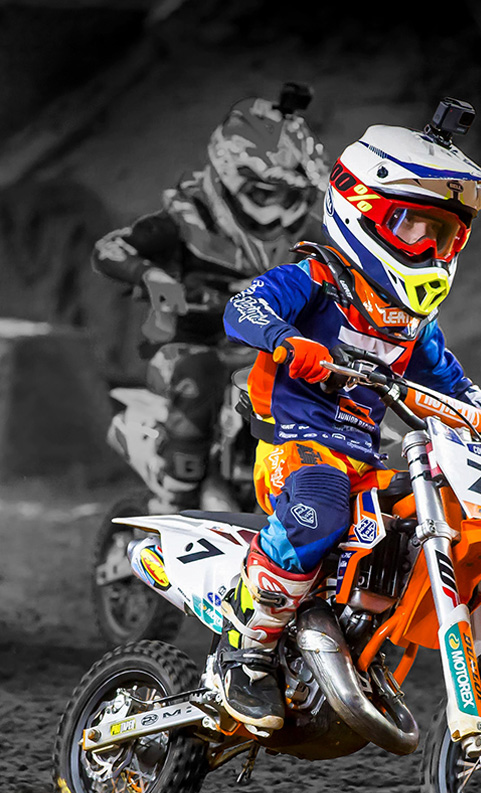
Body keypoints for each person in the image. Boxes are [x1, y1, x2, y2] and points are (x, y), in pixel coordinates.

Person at [213, 100, 481, 729]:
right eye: (411, 226)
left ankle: (364, 641)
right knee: (321, 505)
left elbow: (455, 386)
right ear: (360, 208)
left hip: (365, 458)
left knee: (428, 522)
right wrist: (289, 341)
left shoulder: (412, 325)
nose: (427, 247)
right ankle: (249, 653)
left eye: (442, 235)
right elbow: (244, 308)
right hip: (295, 444)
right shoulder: (315, 278)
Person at [91, 84, 329, 513]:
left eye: (292, 197)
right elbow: (110, 249)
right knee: (200, 376)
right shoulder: (188, 217)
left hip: (273, 351)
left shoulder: (308, 236)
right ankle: (174, 500)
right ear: (229, 176)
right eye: (266, 194)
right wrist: (152, 276)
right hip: (190, 347)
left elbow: (352, 274)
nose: (278, 211)